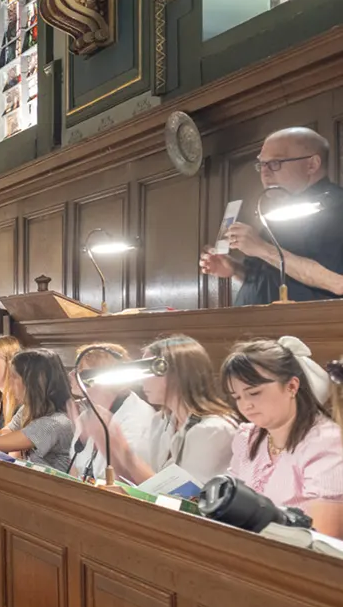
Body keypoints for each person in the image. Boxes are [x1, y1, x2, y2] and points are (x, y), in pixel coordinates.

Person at [200, 127, 343, 304]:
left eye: (275, 163)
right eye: (261, 164)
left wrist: (262, 248)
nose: (264, 172)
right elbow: (274, 279)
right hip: (256, 325)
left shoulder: (337, 207)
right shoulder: (278, 213)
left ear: (312, 164)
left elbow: (338, 282)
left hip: (307, 328)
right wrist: (235, 270)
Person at [221, 337, 343, 534]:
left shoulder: (326, 442)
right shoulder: (248, 436)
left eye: (254, 393)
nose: (245, 405)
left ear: (291, 387)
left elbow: (323, 540)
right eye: (237, 397)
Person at [81, 336, 238, 487]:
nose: (142, 380)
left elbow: (181, 500)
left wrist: (123, 450)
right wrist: (108, 445)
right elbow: (141, 485)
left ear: (175, 374)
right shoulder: (161, 420)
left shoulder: (213, 430)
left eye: (148, 372)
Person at [0, 348, 75, 472]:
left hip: (53, 489)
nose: (9, 383)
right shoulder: (27, 409)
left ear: (33, 383)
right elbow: (0, 437)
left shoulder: (54, 423)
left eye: (13, 377)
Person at [66, 343, 156, 481]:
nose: (71, 374)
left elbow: (130, 481)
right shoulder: (88, 414)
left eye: (80, 370)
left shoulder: (138, 417)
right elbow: (75, 469)